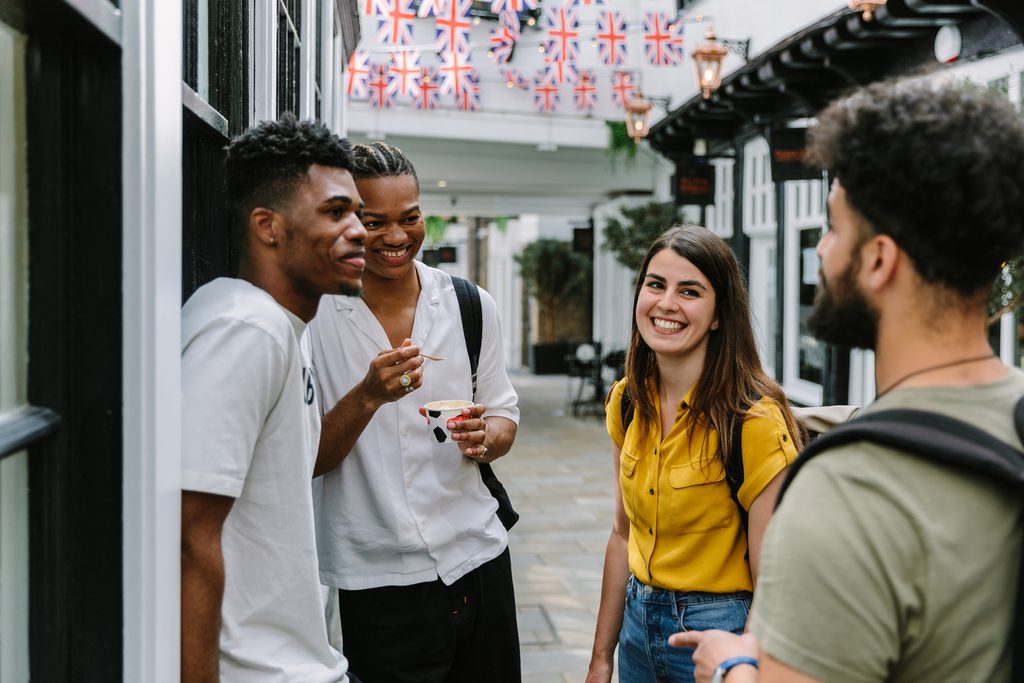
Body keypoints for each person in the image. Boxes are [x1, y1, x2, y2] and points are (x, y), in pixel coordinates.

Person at [671, 79, 1024, 682]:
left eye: (832, 229)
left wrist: (730, 667)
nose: (822, 252)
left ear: (880, 259)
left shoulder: (847, 489)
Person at [308, 142, 522, 682]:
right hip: (380, 583)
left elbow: (504, 417)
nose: (398, 237)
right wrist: (368, 396)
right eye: (374, 221)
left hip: (479, 561)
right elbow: (305, 458)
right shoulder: (314, 316)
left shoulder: (470, 306)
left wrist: (485, 436)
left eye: (411, 217)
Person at [180, 115, 366, 683]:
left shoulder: (280, 327)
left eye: (356, 211)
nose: (360, 229)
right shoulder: (246, 330)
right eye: (336, 212)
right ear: (269, 226)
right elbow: (186, 535)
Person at [586, 225, 802, 683]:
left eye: (690, 291)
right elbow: (622, 537)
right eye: (656, 284)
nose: (666, 304)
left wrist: (744, 664)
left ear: (719, 314)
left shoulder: (753, 421)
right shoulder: (627, 401)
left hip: (720, 635)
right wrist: (601, 659)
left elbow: (774, 583)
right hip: (637, 630)